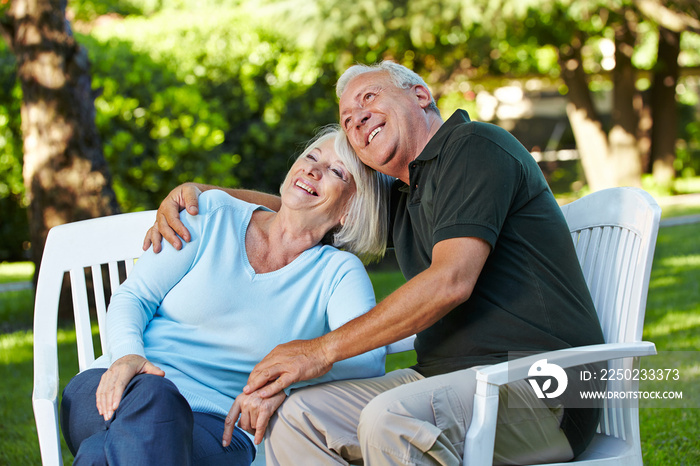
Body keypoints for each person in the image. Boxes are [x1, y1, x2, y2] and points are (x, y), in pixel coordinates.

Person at [147, 61, 605, 465]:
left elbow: (451, 281)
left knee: (391, 420)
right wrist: (206, 194)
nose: (356, 117)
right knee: (297, 417)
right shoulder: (408, 195)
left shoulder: (475, 148)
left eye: (369, 97)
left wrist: (320, 351)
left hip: (544, 388)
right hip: (448, 381)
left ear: (420, 95)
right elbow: (310, 206)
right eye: (346, 119)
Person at [59, 126, 392, 466]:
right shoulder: (212, 215)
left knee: (104, 453)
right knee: (154, 396)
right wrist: (128, 355)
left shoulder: (338, 272)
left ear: (351, 209)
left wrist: (284, 384)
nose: (312, 170)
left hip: (219, 423)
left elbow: (367, 357)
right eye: (311, 156)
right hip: (119, 385)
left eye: (337, 172)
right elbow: (135, 296)